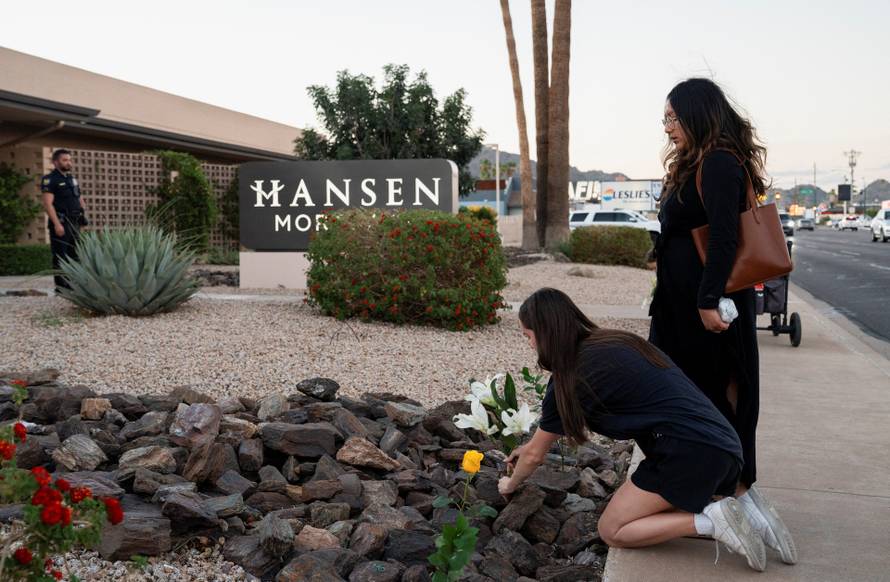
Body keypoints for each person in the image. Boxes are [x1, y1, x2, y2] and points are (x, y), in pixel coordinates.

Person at [498, 288, 771, 570]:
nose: (530, 345)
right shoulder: (616, 342)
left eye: (527, 336)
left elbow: (534, 456)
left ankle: (711, 521)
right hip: (724, 446)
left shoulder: (568, 380)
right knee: (661, 512)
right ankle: (740, 511)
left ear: (544, 333)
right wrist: (528, 447)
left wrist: (510, 483)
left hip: (689, 455)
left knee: (612, 529)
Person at [649, 78, 797, 564]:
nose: (667, 127)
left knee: (718, 399)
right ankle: (728, 495)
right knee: (702, 398)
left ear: (697, 114)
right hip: (682, 311)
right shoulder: (700, 162)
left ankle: (733, 494)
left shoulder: (717, 162)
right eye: (665, 119)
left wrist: (708, 299)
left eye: (673, 117)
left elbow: (727, 239)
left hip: (706, 312)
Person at [41, 149, 87, 291]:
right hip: (61, 222)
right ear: (56, 162)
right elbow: (48, 204)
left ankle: (74, 286)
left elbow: (79, 199)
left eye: (69, 160)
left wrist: (83, 219)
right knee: (60, 255)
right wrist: (56, 224)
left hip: (74, 223)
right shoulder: (50, 179)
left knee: (75, 255)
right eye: (65, 160)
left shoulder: (71, 179)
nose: (69, 162)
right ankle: (61, 288)